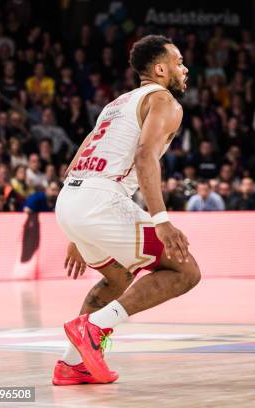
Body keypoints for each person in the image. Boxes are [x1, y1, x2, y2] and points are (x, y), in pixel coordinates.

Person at [54, 35, 200, 386]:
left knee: (118, 277)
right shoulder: (164, 100)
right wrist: (161, 220)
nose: (185, 68)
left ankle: (73, 363)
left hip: (71, 199)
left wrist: (78, 233)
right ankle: (96, 326)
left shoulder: (116, 103)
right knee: (185, 271)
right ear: (161, 68)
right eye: (178, 62)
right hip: (100, 201)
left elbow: (77, 159)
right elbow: (144, 156)